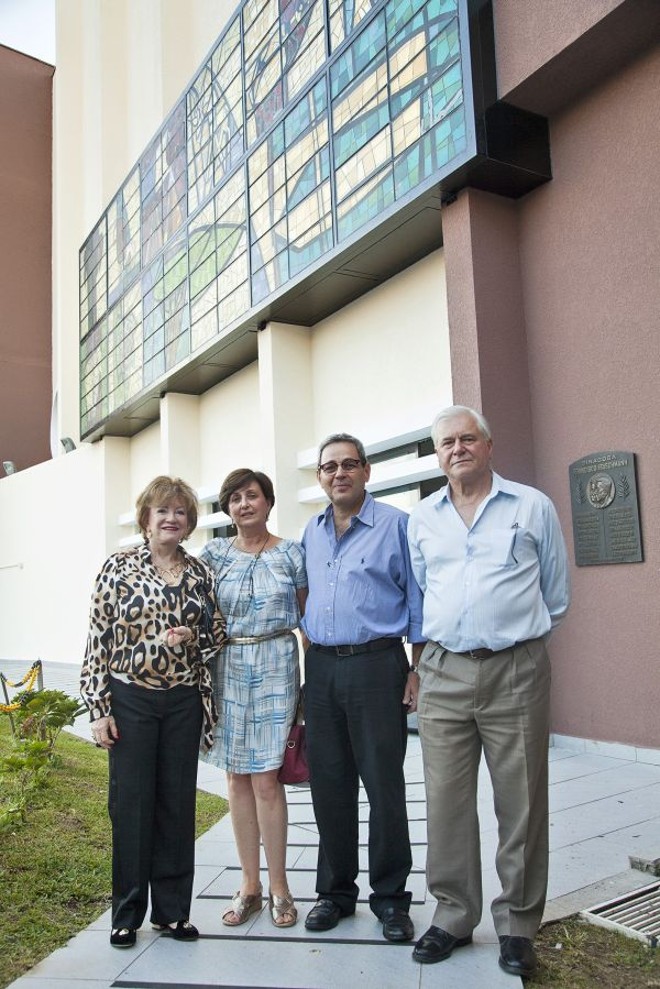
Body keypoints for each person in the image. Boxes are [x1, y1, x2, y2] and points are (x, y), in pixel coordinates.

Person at [407, 406, 571, 978]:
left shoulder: (531, 506)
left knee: (521, 802)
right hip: (445, 671)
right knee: (445, 801)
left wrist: (513, 641)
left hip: (516, 670)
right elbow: (426, 590)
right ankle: (453, 915)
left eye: (468, 438)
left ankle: (518, 925)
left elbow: (555, 592)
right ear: (437, 454)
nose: (458, 448)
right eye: (447, 442)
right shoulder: (422, 518)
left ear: (489, 444)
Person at [80, 475, 226, 949]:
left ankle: (172, 913)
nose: (171, 519)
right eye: (161, 511)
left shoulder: (200, 574)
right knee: (132, 806)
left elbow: (217, 633)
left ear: (189, 523)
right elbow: (98, 639)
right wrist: (99, 709)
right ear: (146, 519)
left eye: (179, 512)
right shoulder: (118, 568)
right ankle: (126, 914)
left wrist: (193, 637)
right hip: (132, 699)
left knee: (176, 805)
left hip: (183, 700)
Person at [301, 433, 425, 943]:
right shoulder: (310, 531)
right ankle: (334, 893)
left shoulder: (397, 526)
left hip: (378, 667)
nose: (339, 473)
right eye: (329, 467)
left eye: (349, 464)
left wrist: (416, 669)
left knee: (383, 786)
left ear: (367, 471)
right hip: (323, 669)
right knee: (328, 785)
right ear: (320, 478)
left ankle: (391, 899)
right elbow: (303, 595)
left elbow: (417, 599)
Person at [200, 468, 307, 928]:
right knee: (237, 780)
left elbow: (307, 618)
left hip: (277, 666)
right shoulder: (212, 556)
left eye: (253, 495)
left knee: (267, 779)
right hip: (226, 669)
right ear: (227, 507)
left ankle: (280, 885)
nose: (245, 504)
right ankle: (249, 885)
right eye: (236, 497)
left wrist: (310, 687)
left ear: (268, 502)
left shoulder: (291, 554)